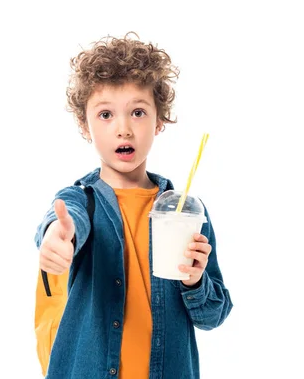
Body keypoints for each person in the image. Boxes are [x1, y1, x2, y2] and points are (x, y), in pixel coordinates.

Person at [34, 32, 233, 379]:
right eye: (106, 114)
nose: (123, 129)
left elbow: (212, 316)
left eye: (138, 112)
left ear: (159, 121)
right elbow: (65, 219)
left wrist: (195, 280)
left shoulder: (185, 213)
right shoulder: (81, 200)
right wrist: (56, 237)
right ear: (85, 125)